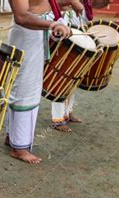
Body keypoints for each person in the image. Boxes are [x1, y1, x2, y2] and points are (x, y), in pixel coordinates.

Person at [6, 0, 71, 164]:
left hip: (35, 31)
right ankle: (19, 147)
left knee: (29, 87)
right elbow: (21, 16)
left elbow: (39, 5)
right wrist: (52, 24)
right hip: (26, 33)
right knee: (24, 89)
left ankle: (13, 137)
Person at [47, 0, 92, 132]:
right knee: (61, 75)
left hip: (73, 22)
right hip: (59, 21)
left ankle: (68, 112)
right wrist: (72, 2)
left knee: (73, 75)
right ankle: (57, 119)